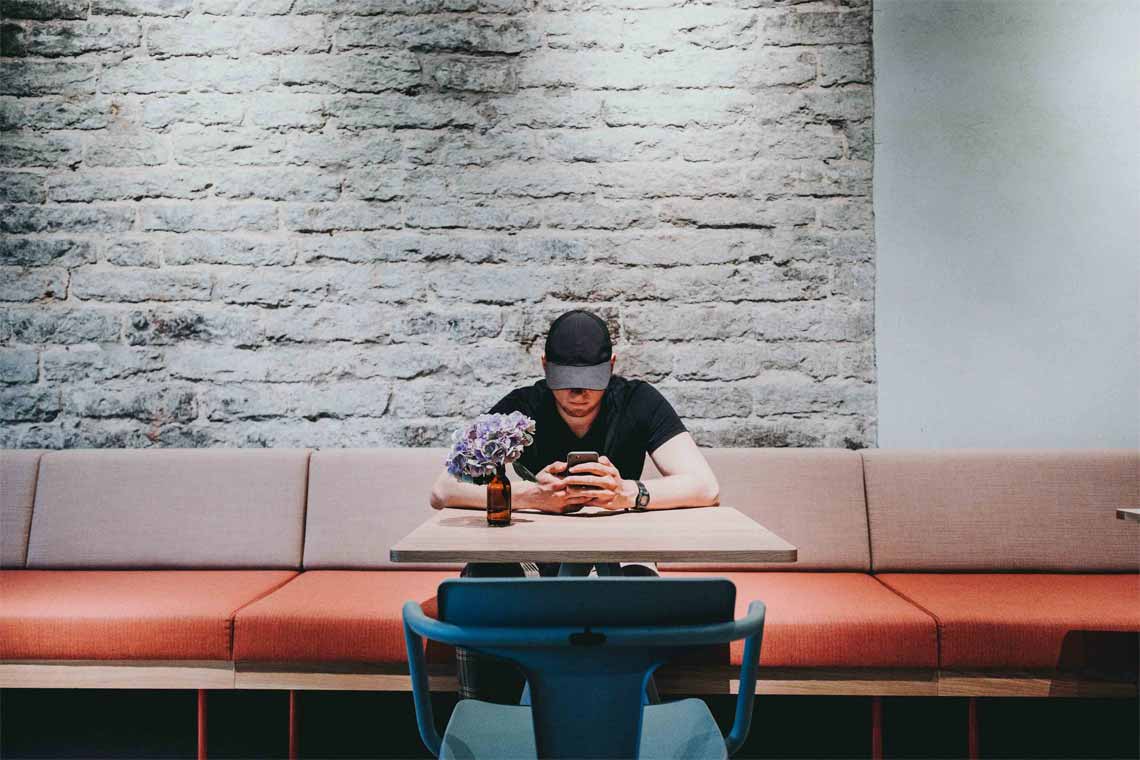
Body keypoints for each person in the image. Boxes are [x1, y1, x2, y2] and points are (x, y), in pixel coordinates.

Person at [429, 309, 721, 701]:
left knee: (631, 589)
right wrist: (532, 496)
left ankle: (621, 728)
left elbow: (705, 485)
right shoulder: (523, 406)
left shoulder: (638, 402)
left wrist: (628, 493)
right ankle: (498, 723)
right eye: (565, 382)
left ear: (612, 367)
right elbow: (442, 489)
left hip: (619, 554)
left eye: (590, 383)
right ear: (545, 367)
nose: (578, 396)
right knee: (484, 580)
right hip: (532, 559)